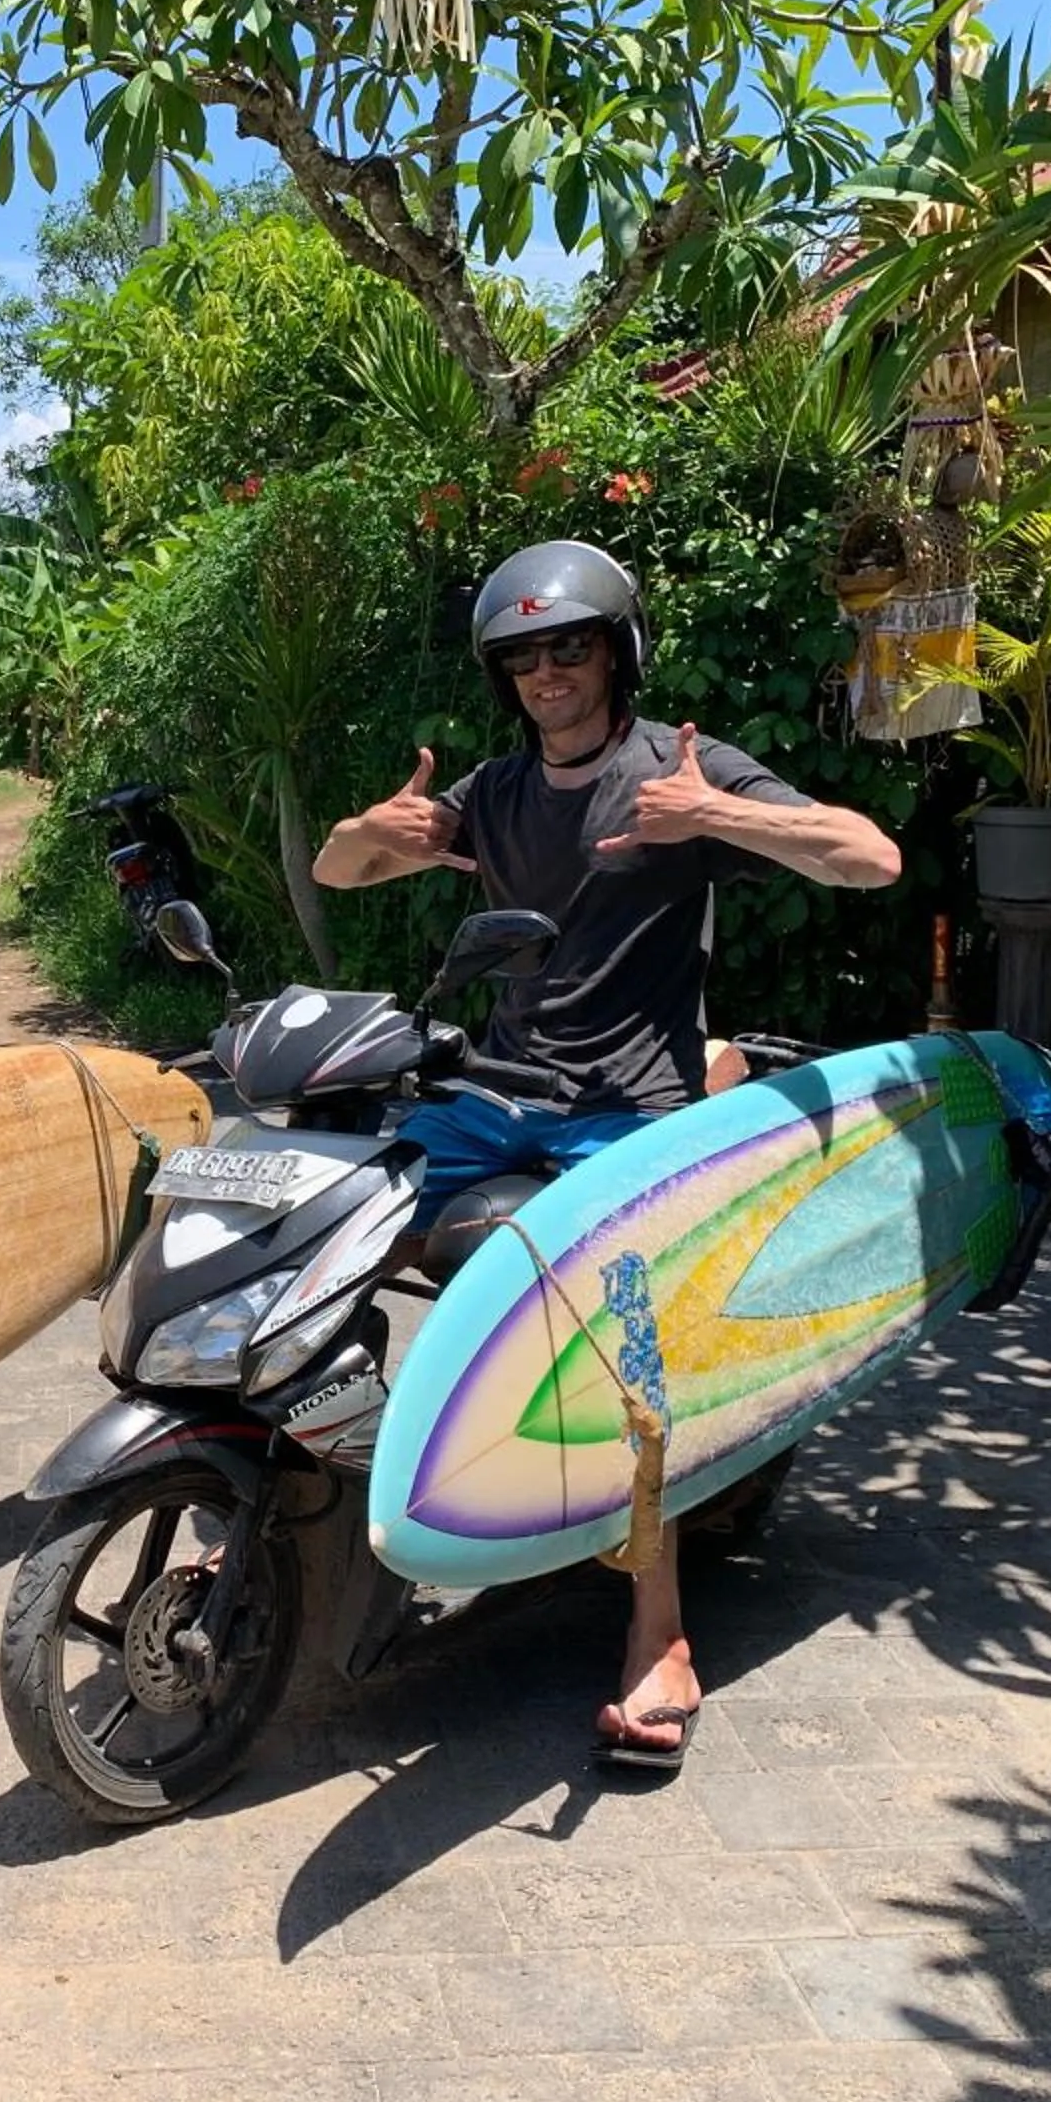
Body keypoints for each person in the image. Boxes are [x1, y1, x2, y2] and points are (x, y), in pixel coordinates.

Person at [311, 540, 903, 1771]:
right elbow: (340, 867)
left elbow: (870, 856)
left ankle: (659, 1632)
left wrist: (714, 816)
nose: (547, 674)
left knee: (629, 1339)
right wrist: (372, 830)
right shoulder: (494, 790)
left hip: (628, 1106)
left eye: (569, 646)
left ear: (617, 651)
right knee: (329, 1225)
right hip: (496, 1092)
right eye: (522, 656)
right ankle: (310, 1499)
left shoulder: (681, 770)